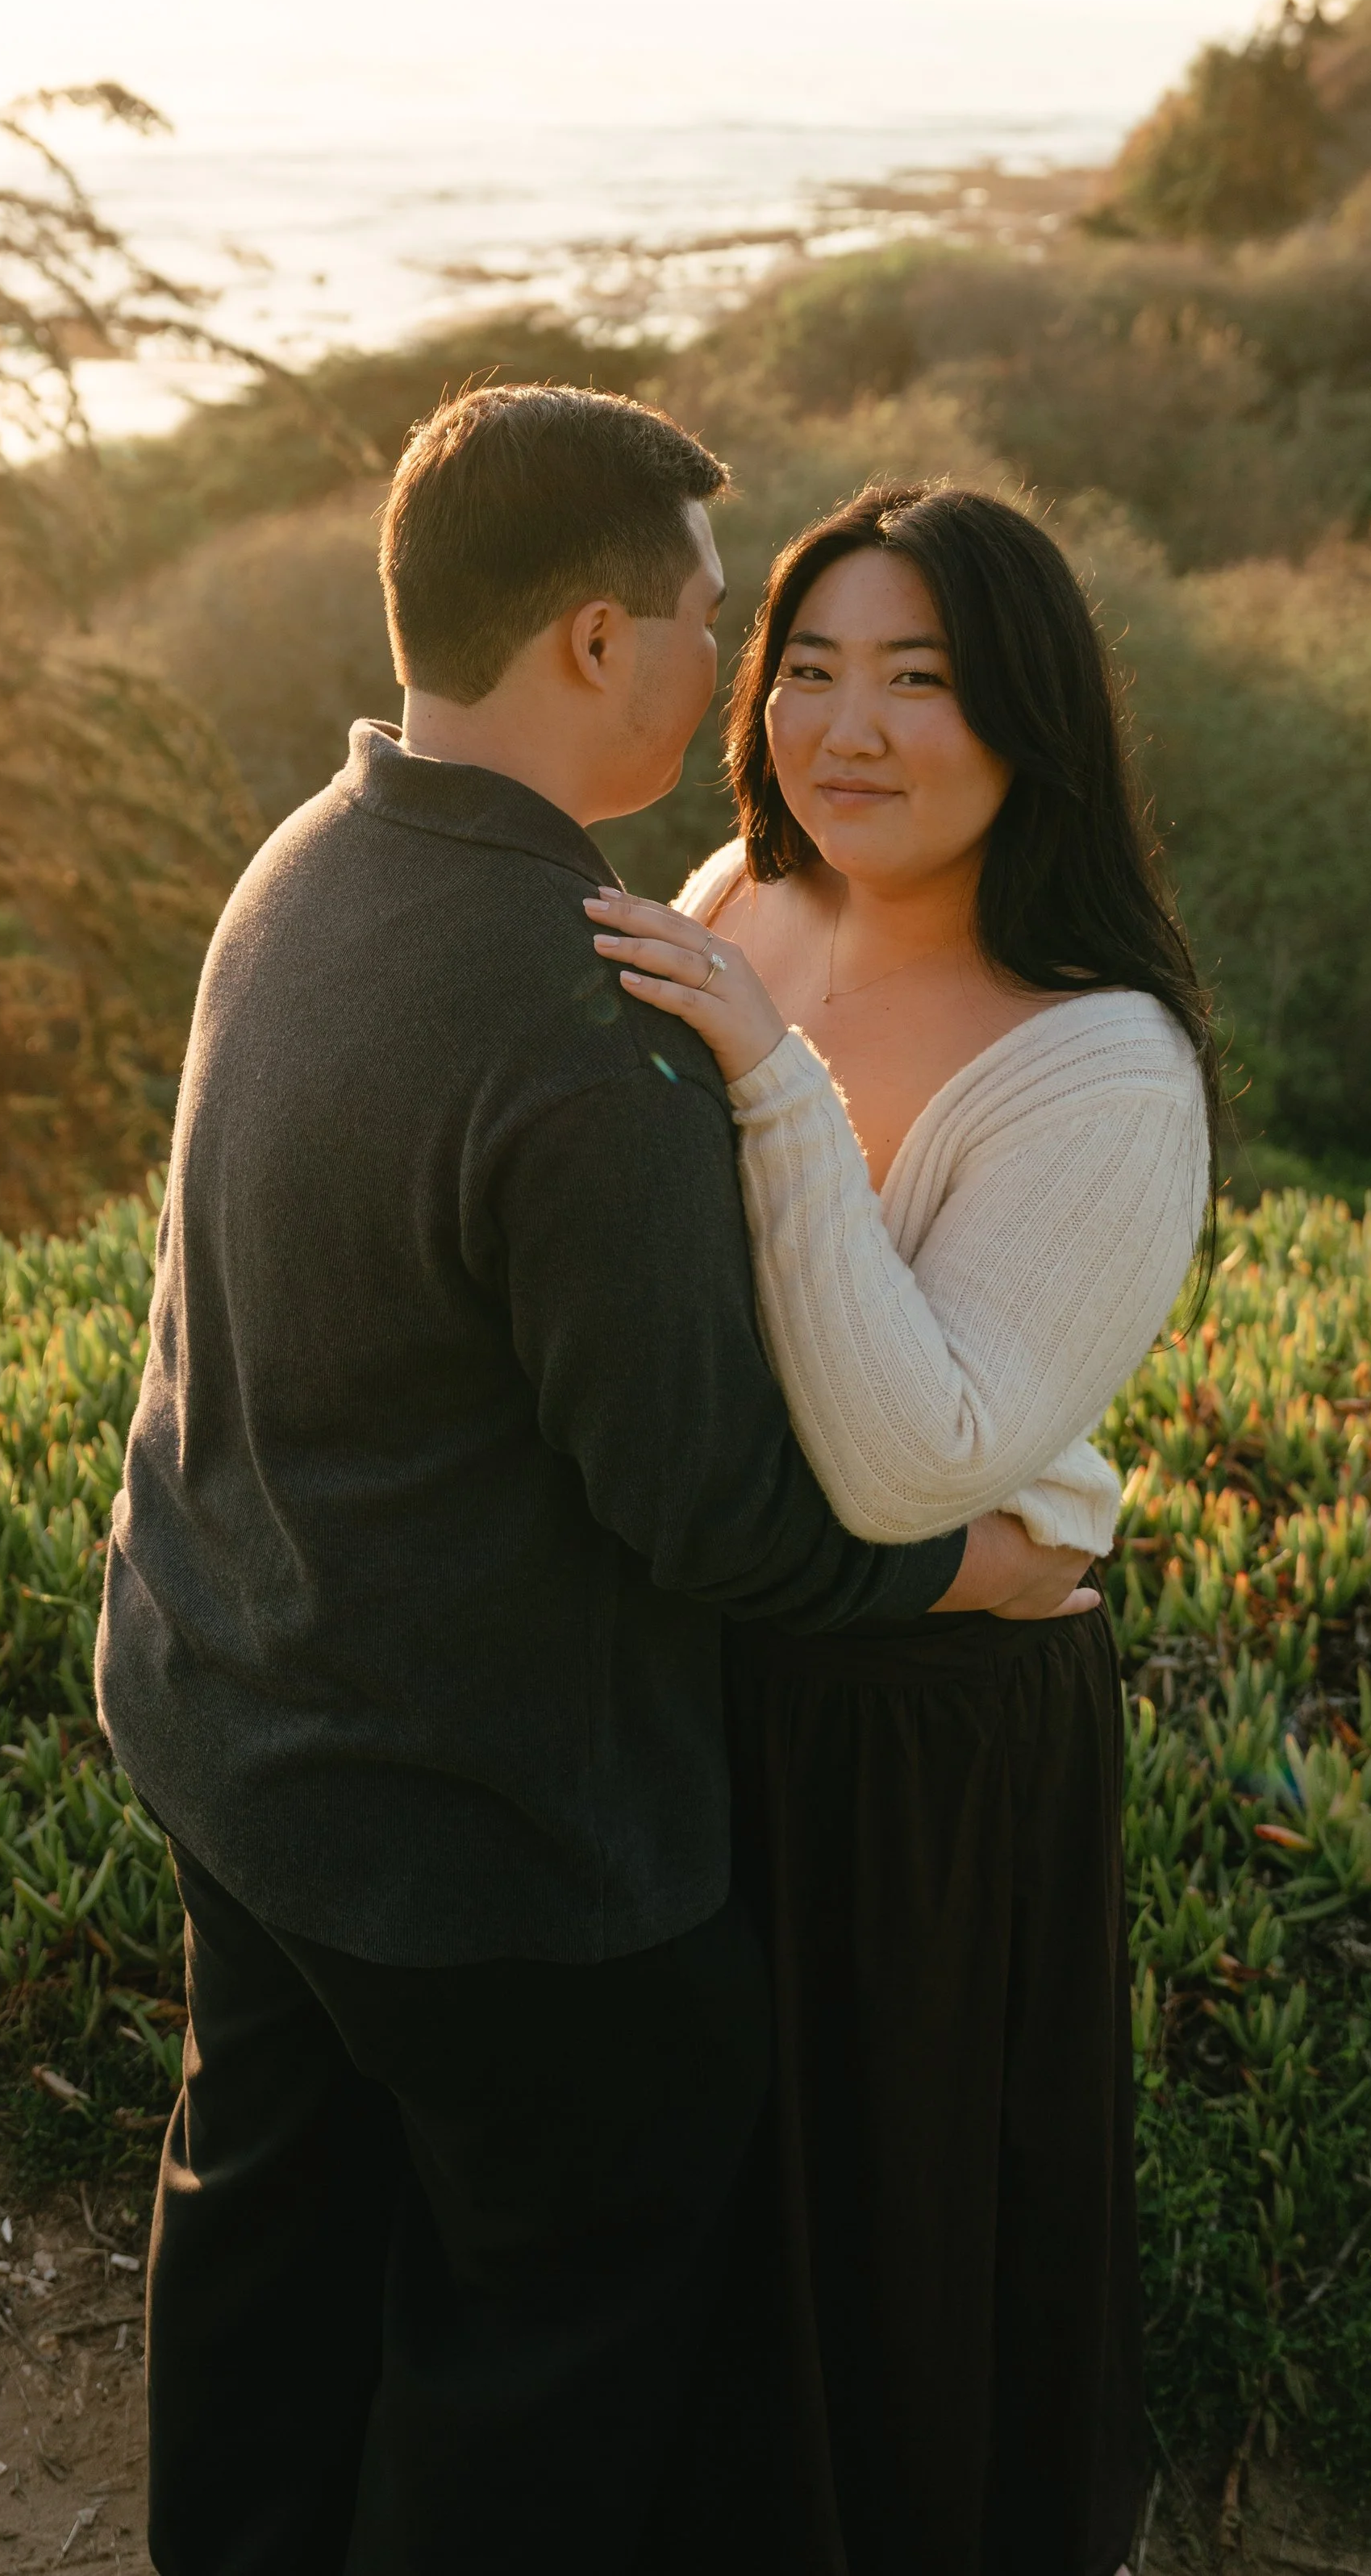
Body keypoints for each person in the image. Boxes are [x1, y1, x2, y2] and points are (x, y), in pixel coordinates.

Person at [94, 395, 1084, 2576]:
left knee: (263, 2221)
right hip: (484, 1845)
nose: (736, 673)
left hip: (223, 1724)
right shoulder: (577, 1011)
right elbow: (714, 1513)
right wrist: (961, 1566)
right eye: (710, 625)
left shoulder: (311, 857)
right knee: (551, 2307)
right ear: (583, 640)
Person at [587, 484, 1217, 2576]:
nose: (842, 729)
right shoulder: (728, 903)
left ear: (1026, 716)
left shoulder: (1096, 1067)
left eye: (918, 678)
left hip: (926, 1743)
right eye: (808, 667)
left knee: (893, 2253)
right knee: (690, 2246)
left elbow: (898, 1459)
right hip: (707, 1678)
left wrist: (770, 1083)